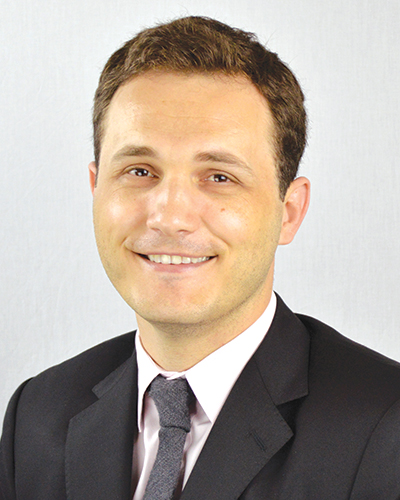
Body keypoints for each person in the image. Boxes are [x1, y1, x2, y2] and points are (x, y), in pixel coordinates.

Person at [1, 15, 400, 500]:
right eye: (140, 170)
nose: (170, 217)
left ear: (289, 212)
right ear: (95, 188)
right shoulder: (37, 415)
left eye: (219, 177)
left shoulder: (386, 429)